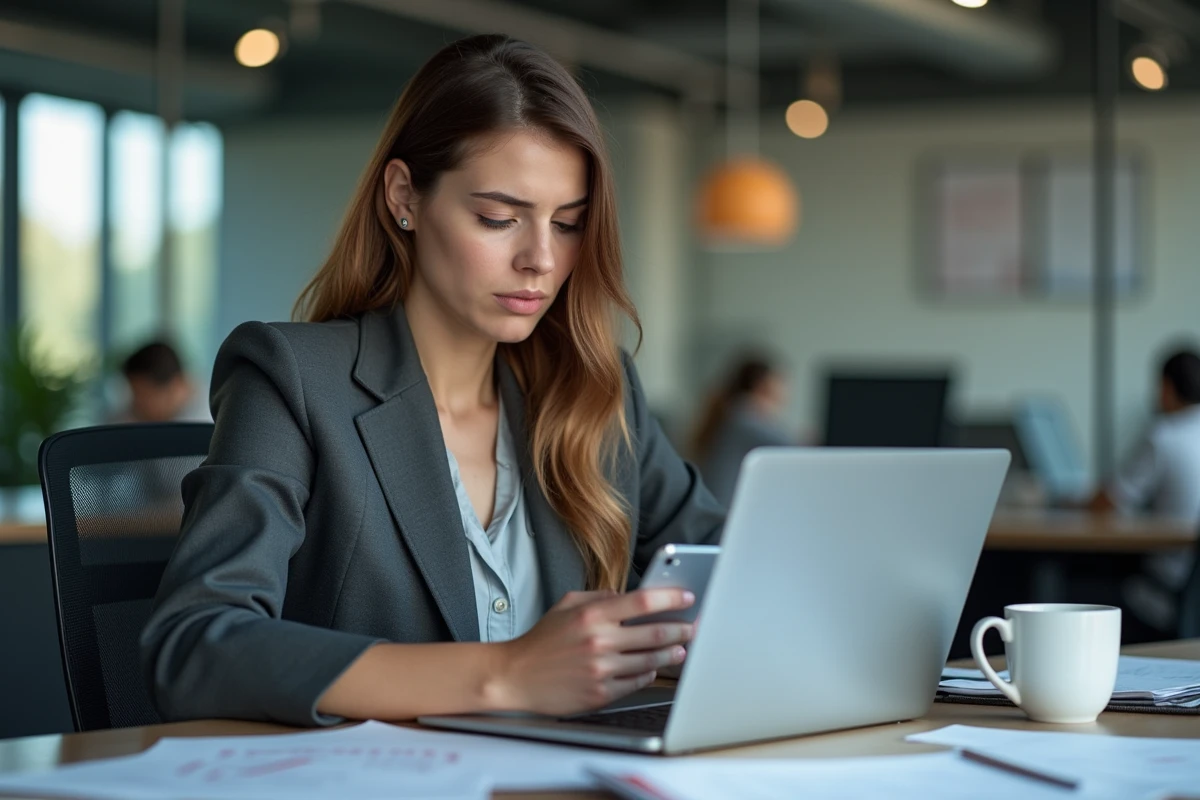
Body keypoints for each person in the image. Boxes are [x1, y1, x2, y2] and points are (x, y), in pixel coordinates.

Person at [140, 34, 724, 727]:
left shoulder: (594, 392)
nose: (540, 259)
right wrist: (505, 674)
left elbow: (732, 565)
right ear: (403, 198)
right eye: (498, 218)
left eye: (568, 225)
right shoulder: (295, 381)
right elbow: (193, 645)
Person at [1090, 346, 1200, 630]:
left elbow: (1108, 501)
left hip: (1166, 591)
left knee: (1077, 593)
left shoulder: (1164, 435)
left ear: (1166, 387)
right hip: (1188, 589)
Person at [688, 354, 792, 508]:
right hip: (723, 511)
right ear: (762, 385)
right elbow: (793, 445)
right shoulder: (744, 416)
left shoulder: (733, 412)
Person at [111, 341, 199, 423]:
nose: (136, 403)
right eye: (135, 394)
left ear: (174, 388)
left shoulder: (207, 422)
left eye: (143, 394)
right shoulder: (123, 419)